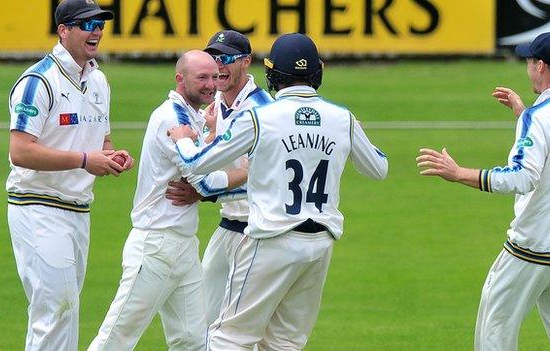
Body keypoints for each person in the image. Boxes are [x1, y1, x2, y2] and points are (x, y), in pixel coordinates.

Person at [168, 33, 388, 351]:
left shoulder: (260, 117)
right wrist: (352, 131)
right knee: (284, 342)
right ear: (318, 72)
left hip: (271, 239)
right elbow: (379, 169)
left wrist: (182, 137)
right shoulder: (343, 118)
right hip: (320, 245)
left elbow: (198, 162)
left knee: (229, 338)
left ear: (271, 74)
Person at [417, 32, 550, 351]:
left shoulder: (540, 118)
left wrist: (459, 173)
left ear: (541, 66)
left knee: (495, 330)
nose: (528, 67)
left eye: (530, 61)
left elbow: (521, 177)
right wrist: (523, 117)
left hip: (533, 247)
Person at [88, 50, 248, 351]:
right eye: (202, 77)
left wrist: (211, 133)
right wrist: (245, 173)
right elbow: (207, 180)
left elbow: (204, 163)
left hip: (183, 246)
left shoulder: (195, 117)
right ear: (180, 78)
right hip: (156, 245)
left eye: (214, 77)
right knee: (116, 339)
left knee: (192, 341)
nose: (211, 85)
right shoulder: (171, 120)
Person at [6, 0, 133, 349]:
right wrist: (83, 160)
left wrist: (111, 157)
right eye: (86, 24)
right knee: (57, 311)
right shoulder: (38, 81)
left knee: (64, 309)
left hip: (78, 211)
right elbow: (20, 151)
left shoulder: (98, 80)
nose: (97, 30)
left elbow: (101, 142)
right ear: (63, 31)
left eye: (100, 23)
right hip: (37, 208)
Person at [167, 29, 274, 326]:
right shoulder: (215, 106)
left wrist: (204, 193)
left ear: (246, 62)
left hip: (257, 231)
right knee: (202, 321)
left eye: (227, 58)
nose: (219, 65)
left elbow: (262, 178)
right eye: (214, 58)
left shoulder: (262, 109)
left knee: (243, 329)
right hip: (227, 227)